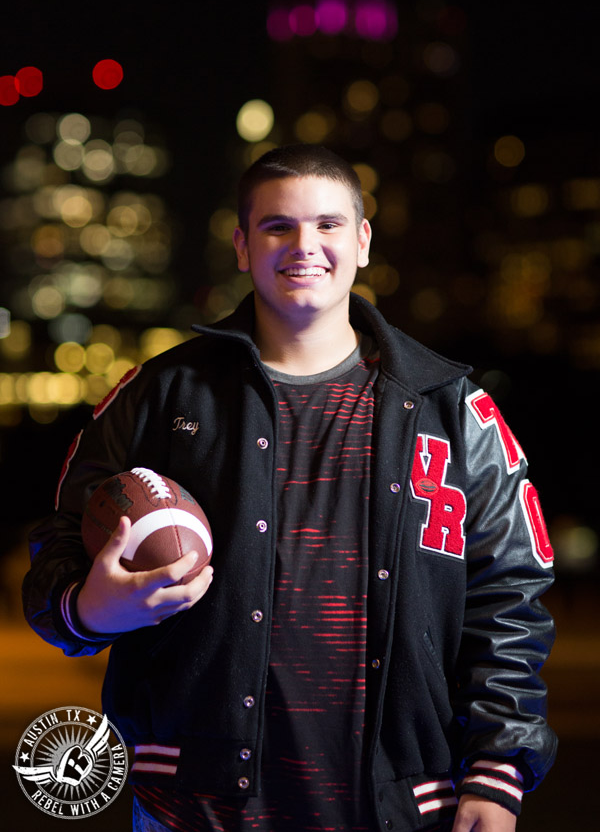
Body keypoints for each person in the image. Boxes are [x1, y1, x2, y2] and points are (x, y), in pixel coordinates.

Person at [23, 145, 557, 832]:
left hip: (401, 805)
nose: (305, 245)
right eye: (278, 227)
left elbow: (510, 588)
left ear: (362, 241)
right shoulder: (161, 394)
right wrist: (89, 609)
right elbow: (60, 544)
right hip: (196, 805)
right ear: (242, 244)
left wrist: (497, 767)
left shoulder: (452, 408)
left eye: (329, 225)